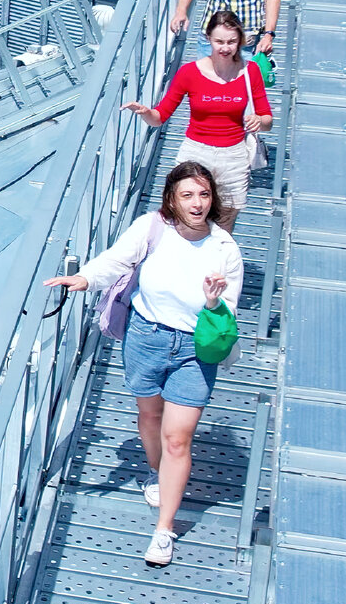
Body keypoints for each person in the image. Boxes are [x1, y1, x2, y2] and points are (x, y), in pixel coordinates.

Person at [45, 162, 243, 567]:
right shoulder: (152, 227)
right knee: (149, 416)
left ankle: (164, 530)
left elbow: (228, 317)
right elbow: (118, 260)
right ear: (171, 197)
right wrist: (84, 278)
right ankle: (156, 472)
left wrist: (212, 302)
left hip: (194, 349)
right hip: (146, 337)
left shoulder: (225, 249)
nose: (197, 203)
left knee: (177, 438)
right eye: (188, 195)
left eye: (204, 195)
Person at [122, 10, 272, 232]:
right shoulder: (189, 72)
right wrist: (145, 112)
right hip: (196, 152)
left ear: (240, 40)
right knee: (184, 219)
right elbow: (160, 117)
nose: (225, 48)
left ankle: (215, 265)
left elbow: (268, 120)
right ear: (208, 39)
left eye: (231, 42)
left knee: (223, 224)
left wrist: (259, 120)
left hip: (233, 156)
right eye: (219, 41)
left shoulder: (251, 72)